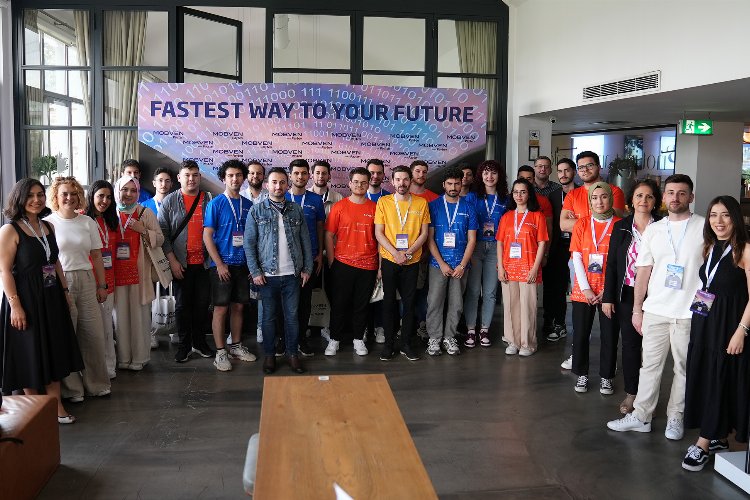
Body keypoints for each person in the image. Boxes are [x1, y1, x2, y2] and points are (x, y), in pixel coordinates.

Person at [607, 174, 704, 441]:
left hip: (688, 313)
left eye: (682, 193)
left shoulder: (703, 227)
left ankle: (676, 416)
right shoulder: (654, 229)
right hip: (656, 310)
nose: (675, 197)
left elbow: (713, 271)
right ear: (664, 198)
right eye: (670, 192)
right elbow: (643, 272)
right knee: (649, 366)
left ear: (691, 197)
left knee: (683, 368)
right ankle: (642, 416)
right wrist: (638, 309)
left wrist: (703, 310)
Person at [0, 178, 84, 424]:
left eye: (39, 195)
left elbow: (54, 262)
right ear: (19, 199)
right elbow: (4, 271)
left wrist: (65, 292)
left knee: (53, 350)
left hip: (50, 295)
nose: (36, 200)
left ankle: (56, 405)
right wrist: (15, 306)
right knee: (30, 353)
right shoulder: (10, 230)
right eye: (30, 195)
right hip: (25, 299)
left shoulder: (48, 226)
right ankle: (36, 409)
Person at [681, 196, 750, 471]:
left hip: (730, 326)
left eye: (725, 215)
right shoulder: (710, 247)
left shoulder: (745, 249)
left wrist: (741, 331)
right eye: (713, 215)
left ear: (735, 218)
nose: (718, 221)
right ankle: (718, 436)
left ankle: (703, 443)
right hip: (705, 322)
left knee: (719, 379)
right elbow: (708, 286)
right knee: (706, 376)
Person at [45, 176, 110, 402]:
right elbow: (47, 260)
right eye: (64, 193)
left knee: (93, 335)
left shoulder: (87, 222)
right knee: (66, 335)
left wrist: (102, 285)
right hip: (61, 282)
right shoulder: (48, 223)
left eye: (74, 193)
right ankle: (72, 390)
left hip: (87, 278)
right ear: (56, 196)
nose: (69, 198)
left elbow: (97, 256)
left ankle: (97, 384)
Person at [244, 167, 313, 375]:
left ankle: (292, 355)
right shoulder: (256, 211)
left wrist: (307, 268)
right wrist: (255, 271)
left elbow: (306, 242)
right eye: (274, 182)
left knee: (292, 317)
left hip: (292, 275)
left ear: (287, 184)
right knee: (269, 318)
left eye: (282, 182)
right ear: (267, 185)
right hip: (267, 276)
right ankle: (270, 355)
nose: (278, 186)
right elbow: (249, 244)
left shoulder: (296, 210)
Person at [602, 180, 662, 413]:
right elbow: (612, 265)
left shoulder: (663, 227)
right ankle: (632, 393)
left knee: (653, 348)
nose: (643, 200)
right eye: (639, 196)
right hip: (627, 294)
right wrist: (608, 297)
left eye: (649, 196)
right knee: (630, 345)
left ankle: (649, 397)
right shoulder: (621, 227)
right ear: (631, 201)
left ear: (655, 201)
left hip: (656, 295)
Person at [203, 159, 257, 371]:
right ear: (223, 179)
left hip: (242, 265)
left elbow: (253, 238)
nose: (235, 179)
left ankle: (235, 346)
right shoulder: (215, 204)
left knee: (238, 306)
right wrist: (219, 264)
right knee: (220, 308)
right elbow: (207, 236)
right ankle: (220, 352)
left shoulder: (249, 205)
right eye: (230, 176)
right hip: (222, 265)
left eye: (238, 175)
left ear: (244, 178)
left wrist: (253, 265)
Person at [159, 160, 214, 363]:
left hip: (204, 263)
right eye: (187, 175)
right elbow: (163, 235)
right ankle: (184, 345)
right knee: (183, 306)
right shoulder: (169, 201)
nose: (191, 179)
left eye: (195, 175)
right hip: (181, 263)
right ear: (179, 178)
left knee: (202, 305)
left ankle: (199, 343)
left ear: (199, 177)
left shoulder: (208, 199)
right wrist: (172, 261)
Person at [569, 182, 621, 394]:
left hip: (609, 291)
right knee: (581, 334)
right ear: (590, 201)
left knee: (610, 335)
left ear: (611, 198)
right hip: (584, 289)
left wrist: (607, 291)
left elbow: (622, 261)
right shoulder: (581, 224)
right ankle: (581, 374)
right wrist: (587, 289)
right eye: (594, 197)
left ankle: (607, 376)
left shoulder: (620, 224)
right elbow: (576, 257)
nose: (599, 202)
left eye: (604, 197)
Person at [375, 165, 430, 361]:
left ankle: (406, 343)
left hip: (412, 260)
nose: (402, 183)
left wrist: (407, 252)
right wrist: (395, 253)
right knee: (388, 302)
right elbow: (379, 233)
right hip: (390, 260)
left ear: (410, 181)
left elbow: (424, 233)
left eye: (405, 179)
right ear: (392, 181)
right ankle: (389, 344)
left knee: (409, 303)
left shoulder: (421, 203)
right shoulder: (383, 202)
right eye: (398, 179)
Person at [324, 168, 378, 356]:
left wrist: (379, 266)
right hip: (342, 264)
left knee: (361, 305)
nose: (359, 185)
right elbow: (329, 235)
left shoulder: (375, 208)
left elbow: (380, 238)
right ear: (349, 183)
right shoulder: (339, 207)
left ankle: (358, 339)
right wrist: (332, 262)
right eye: (356, 182)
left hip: (368, 265)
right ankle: (334, 339)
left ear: (368, 184)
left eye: (363, 182)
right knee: (339, 304)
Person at [112, 175, 164, 371]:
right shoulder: (111, 213)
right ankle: (124, 357)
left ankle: (140, 358)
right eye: (124, 189)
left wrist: (143, 230)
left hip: (139, 272)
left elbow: (160, 239)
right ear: (117, 191)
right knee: (120, 317)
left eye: (133, 190)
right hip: (116, 273)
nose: (129, 194)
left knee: (140, 316)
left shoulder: (145, 212)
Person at [425, 168, 478, 356]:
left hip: (461, 265)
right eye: (450, 184)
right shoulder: (433, 206)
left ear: (461, 183)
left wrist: (462, 265)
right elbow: (429, 239)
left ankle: (449, 337)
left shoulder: (469, 207)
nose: (453, 187)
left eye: (457, 183)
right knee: (434, 301)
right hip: (438, 264)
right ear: (443, 185)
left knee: (456, 303)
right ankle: (434, 338)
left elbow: (472, 239)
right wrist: (441, 263)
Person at [496, 178, 548, 356]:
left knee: (528, 307)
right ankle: (513, 341)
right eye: (516, 192)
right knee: (511, 306)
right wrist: (500, 267)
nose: (519, 195)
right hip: (509, 268)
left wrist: (535, 268)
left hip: (528, 268)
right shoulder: (506, 216)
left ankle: (528, 344)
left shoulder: (537, 216)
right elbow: (500, 243)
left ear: (529, 194)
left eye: (523, 192)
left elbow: (542, 243)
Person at [464, 160, 508, 348]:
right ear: (480, 176)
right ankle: (470, 329)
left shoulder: (505, 199)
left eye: (494, 173)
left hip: (496, 248)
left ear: (499, 176)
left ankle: (484, 329)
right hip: (475, 247)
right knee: (473, 290)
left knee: (490, 292)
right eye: (486, 173)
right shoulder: (472, 197)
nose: (490, 177)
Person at [287, 159, 325, 356]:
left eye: (303, 173)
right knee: (285, 303)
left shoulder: (316, 200)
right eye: (296, 173)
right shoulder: (282, 196)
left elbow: (320, 228)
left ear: (308, 176)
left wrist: (319, 254)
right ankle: (284, 340)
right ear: (290, 175)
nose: (300, 177)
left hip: (309, 260)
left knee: (304, 303)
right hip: (285, 260)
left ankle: (302, 339)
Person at [86, 180, 119, 379]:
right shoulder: (82, 220)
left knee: (107, 326)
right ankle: (93, 369)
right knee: (92, 329)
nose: (104, 201)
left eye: (108, 197)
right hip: (89, 280)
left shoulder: (111, 221)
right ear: (91, 196)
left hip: (109, 281)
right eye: (100, 196)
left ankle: (109, 366)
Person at [533, 156, 566, 340]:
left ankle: (553, 321)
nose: (542, 169)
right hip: (531, 245)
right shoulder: (527, 190)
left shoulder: (557, 190)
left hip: (553, 243)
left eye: (546, 166)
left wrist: (548, 250)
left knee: (553, 286)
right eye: (539, 166)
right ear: (535, 168)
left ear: (550, 169)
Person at [555, 158, 581, 366]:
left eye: (567, 170)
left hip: (581, 249)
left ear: (574, 172)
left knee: (579, 293)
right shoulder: (554, 195)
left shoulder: (583, 193)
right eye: (560, 171)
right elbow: (561, 224)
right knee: (557, 286)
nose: (563, 174)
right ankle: (559, 324)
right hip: (558, 246)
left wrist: (574, 221)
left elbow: (594, 221)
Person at [560, 151, 626, 234]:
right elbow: (563, 225)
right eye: (581, 167)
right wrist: (600, 220)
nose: (585, 170)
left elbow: (613, 224)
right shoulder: (572, 195)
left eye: (590, 165)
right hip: (579, 242)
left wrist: (577, 222)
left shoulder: (614, 191)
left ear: (599, 167)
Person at [409, 159, 437, 340]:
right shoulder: (401, 196)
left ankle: (422, 325)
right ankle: (405, 326)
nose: (421, 175)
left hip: (428, 255)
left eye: (424, 172)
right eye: (417, 171)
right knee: (406, 293)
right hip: (404, 255)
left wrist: (427, 252)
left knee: (425, 294)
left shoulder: (434, 198)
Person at [365, 158, 390, 344]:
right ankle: (364, 326)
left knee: (383, 292)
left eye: (378, 173)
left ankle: (380, 326)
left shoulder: (389, 198)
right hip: (363, 254)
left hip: (385, 254)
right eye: (371, 172)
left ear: (383, 175)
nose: (375, 176)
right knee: (364, 293)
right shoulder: (357, 195)